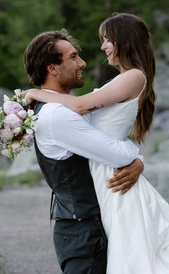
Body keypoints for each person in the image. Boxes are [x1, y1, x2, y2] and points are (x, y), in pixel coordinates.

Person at [24, 13, 169, 274]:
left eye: (107, 39)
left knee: (135, 259)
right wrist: (138, 160)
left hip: (113, 177)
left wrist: (36, 92)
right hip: (107, 177)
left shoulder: (134, 76)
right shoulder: (120, 80)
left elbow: (80, 106)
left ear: (124, 40)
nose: (102, 47)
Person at [23, 29, 144, 274]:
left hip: (90, 229)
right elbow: (117, 154)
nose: (82, 63)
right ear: (52, 68)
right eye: (73, 57)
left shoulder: (61, 109)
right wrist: (137, 159)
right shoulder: (56, 115)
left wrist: (137, 160)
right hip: (83, 235)